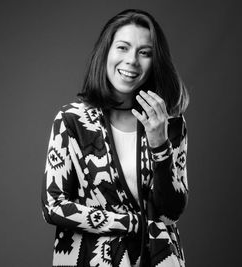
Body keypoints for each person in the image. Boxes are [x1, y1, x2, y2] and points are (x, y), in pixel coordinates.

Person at [41, 9, 189, 267]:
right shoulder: (72, 120)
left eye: (144, 52)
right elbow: (53, 205)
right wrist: (130, 223)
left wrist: (160, 145)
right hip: (91, 258)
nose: (132, 60)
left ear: (156, 62)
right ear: (106, 53)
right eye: (123, 47)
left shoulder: (169, 123)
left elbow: (171, 212)